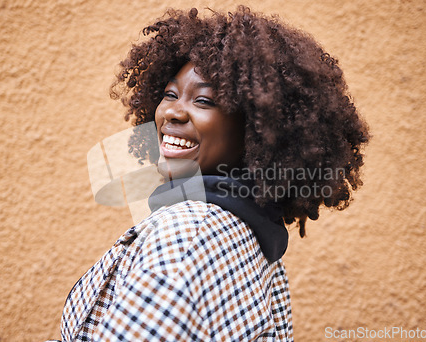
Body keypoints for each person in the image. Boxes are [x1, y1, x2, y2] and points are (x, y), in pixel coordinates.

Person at [57, 6, 369, 341]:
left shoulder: (185, 235)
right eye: (169, 94)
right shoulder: (256, 235)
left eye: (203, 101)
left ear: (257, 130)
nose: (172, 112)